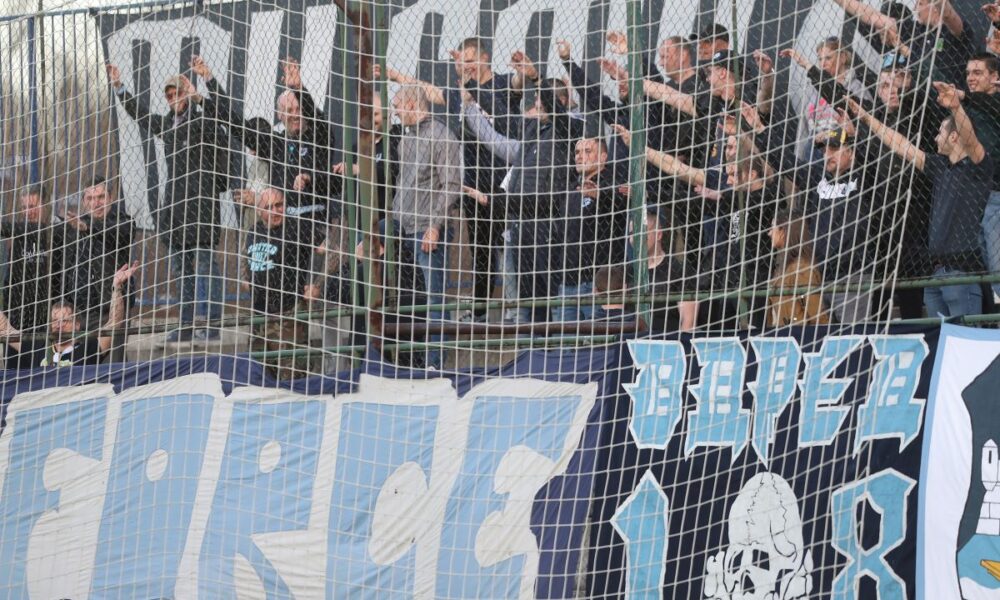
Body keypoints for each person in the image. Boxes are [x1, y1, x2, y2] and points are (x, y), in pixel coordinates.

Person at [106, 63, 230, 342]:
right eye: (170, 95)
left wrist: (198, 96)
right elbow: (141, 116)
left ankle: (211, 323)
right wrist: (119, 87)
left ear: (187, 94)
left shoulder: (202, 121)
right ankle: (185, 324)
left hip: (202, 206)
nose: (175, 99)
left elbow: (221, 115)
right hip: (175, 209)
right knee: (180, 270)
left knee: (206, 265)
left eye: (179, 93)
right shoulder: (167, 126)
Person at [850, 82, 993, 317]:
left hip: (962, 273)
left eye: (940, 133)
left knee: (965, 338)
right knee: (939, 340)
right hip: (935, 273)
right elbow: (901, 144)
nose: (936, 138)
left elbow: (972, 141)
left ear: (954, 136)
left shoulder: (977, 168)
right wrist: (866, 119)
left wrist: (956, 107)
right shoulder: (940, 167)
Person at [389, 84, 463, 369]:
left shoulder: (443, 135)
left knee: (434, 301)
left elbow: (451, 186)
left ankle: (435, 365)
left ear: (410, 104)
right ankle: (412, 363)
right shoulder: (405, 140)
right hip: (403, 231)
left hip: (426, 232)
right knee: (410, 303)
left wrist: (435, 225)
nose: (395, 112)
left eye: (397, 106)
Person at [243, 187, 326, 377]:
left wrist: (317, 284)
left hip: (288, 312)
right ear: (259, 210)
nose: (275, 211)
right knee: (258, 375)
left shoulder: (297, 227)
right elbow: (246, 256)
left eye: (279, 205)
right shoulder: (254, 231)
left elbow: (330, 250)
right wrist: (245, 277)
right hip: (260, 315)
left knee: (292, 375)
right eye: (269, 206)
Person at [0, 262, 138, 369]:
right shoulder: (38, 346)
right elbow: (6, 329)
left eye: (65, 320)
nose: (59, 325)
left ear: (77, 324)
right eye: (55, 320)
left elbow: (113, 324)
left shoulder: (87, 349)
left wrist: (117, 287)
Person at [549, 137, 628, 322]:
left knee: (597, 345)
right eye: (577, 152)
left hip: (597, 285)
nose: (579, 157)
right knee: (565, 347)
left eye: (587, 151)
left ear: (603, 157)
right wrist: (490, 200)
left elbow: (621, 206)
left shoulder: (615, 185)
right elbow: (540, 204)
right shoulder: (571, 190)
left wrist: (600, 197)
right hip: (567, 283)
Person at [62, 176, 136, 327]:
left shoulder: (123, 221)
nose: (96, 203)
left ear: (110, 198)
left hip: (112, 311)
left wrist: (88, 228)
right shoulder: (74, 225)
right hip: (77, 313)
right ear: (84, 202)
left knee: (110, 350)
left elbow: (120, 232)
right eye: (90, 198)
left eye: (101, 197)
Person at [0, 186, 67, 332]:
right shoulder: (19, 232)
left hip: (49, 314)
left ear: (46, 204)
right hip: (18, 314)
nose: (28, 212)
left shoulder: (60, 229)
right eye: (24, 207)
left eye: (32, 206)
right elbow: (11, 276)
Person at [767, 206, 830, 326]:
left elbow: (817, 315)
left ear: (783, 231)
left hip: (798, 336)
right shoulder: (783, 265)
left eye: (772, 228)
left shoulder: (801, 268)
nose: (769, 233)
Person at [644, 210, 700, 332]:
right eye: (632, 233)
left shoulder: (678, 270)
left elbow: (688, 322)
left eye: (644, 232)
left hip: (668, 343)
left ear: (659, 235)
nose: (636, 238)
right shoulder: (625, 271)